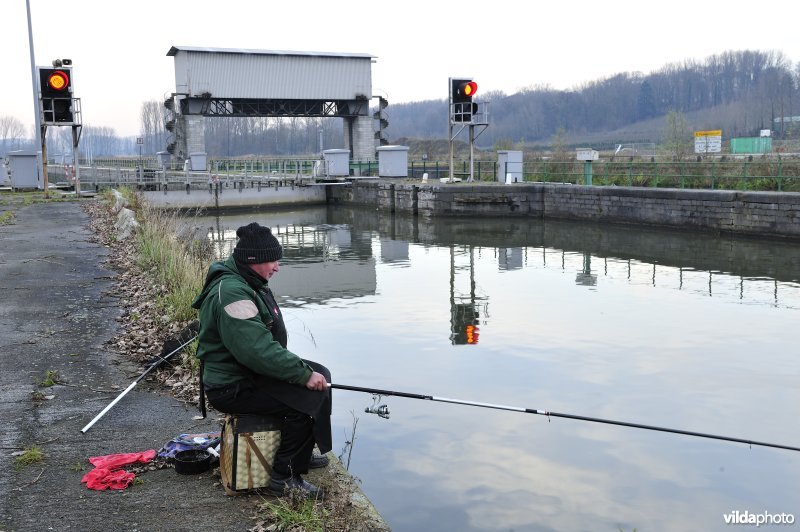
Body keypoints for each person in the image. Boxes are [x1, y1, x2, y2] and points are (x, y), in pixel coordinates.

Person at [191, 222, 332, 498]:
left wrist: (305, 372)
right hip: (232, 385)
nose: (277, 267)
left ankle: (299, 453)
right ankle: (285, 477)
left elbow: (260, 348)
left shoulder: (249, 280)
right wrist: (302, 375)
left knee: (322, 373)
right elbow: (256, 351)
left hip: (249, 373)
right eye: (273, 260)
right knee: (308, 399)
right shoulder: (232, 292)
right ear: (253, 260)